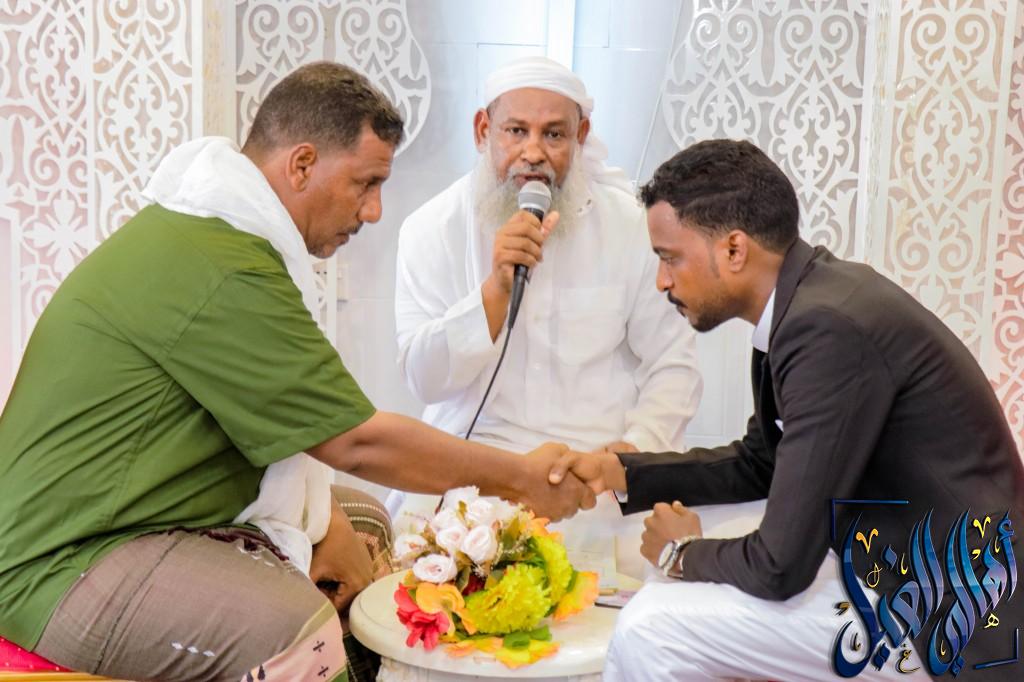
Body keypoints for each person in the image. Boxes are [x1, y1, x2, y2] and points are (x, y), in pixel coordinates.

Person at [0, 62, 594, 682]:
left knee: (365, 523)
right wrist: (520, 479)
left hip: (139, 514)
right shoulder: (222, 265)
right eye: (366, 183)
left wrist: (327, 522)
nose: (374, 211)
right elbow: (355, 442)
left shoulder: (226, 237)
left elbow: (303, 426)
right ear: (303, 164)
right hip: (62, 561)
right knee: (293, 631)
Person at [550, 139, 1024, 681]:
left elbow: (780, 567)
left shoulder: (826, 327)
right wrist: (621, 472)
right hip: (889, 567)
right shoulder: (806, 304)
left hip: (951, 614)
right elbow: (762, 461)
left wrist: (681, 552)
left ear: (734, 250)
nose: (662, 280)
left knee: (651, 625)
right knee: (668, 596)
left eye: (670, 257)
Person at [393, 56, 702, 577]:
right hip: (476, 476)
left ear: (581, 136)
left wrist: (632, 454)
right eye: (516, 131)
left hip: (596, 480)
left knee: (653, 586)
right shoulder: (431, 229)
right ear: (483, 130)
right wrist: (494, 290)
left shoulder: (631, 227)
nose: (533, 152)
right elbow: (424, 379)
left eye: (553, 134)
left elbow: (674, 364)